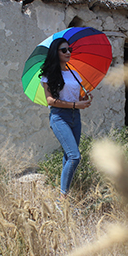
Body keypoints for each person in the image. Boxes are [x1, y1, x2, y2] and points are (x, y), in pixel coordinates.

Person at [40, 38, 93, 197]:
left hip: (75, 117)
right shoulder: (48, 75)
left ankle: (61, 199)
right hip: (59, 117)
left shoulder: (74, 74)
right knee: (75, 156)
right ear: (56, 53)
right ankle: (62, 200)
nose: (68, 52)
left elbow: (75, 97)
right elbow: (50, 100)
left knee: (68, 156)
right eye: (64, 50)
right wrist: (75, 105)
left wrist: (83, 99)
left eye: (69, 49)